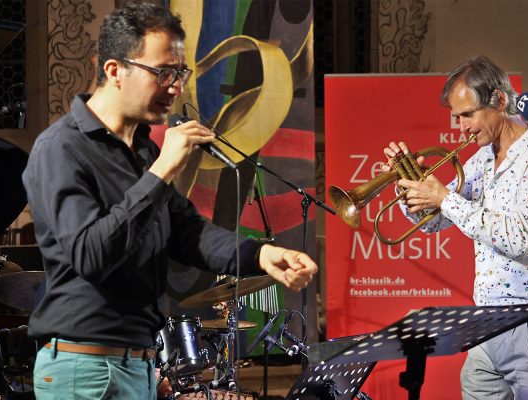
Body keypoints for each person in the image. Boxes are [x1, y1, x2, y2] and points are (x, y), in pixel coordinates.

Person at [22, 2, 317, 399]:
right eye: (163, 72)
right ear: (114, 70)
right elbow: (90, 254)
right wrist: (161, 172)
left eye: (180, 73)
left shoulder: (140, 152)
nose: (176, 87)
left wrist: (261, 256)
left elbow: (187, 232)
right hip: (86, 368)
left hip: (138, 366)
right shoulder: (61, 149)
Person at [383, 55, 528, 399]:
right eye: (456, 118)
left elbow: (522, 238)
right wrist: (410, 186)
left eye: (467, 115)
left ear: (500, 101)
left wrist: (444, 197)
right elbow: (435, 222)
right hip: (485, 321)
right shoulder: (481, 159)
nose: (461, 127)